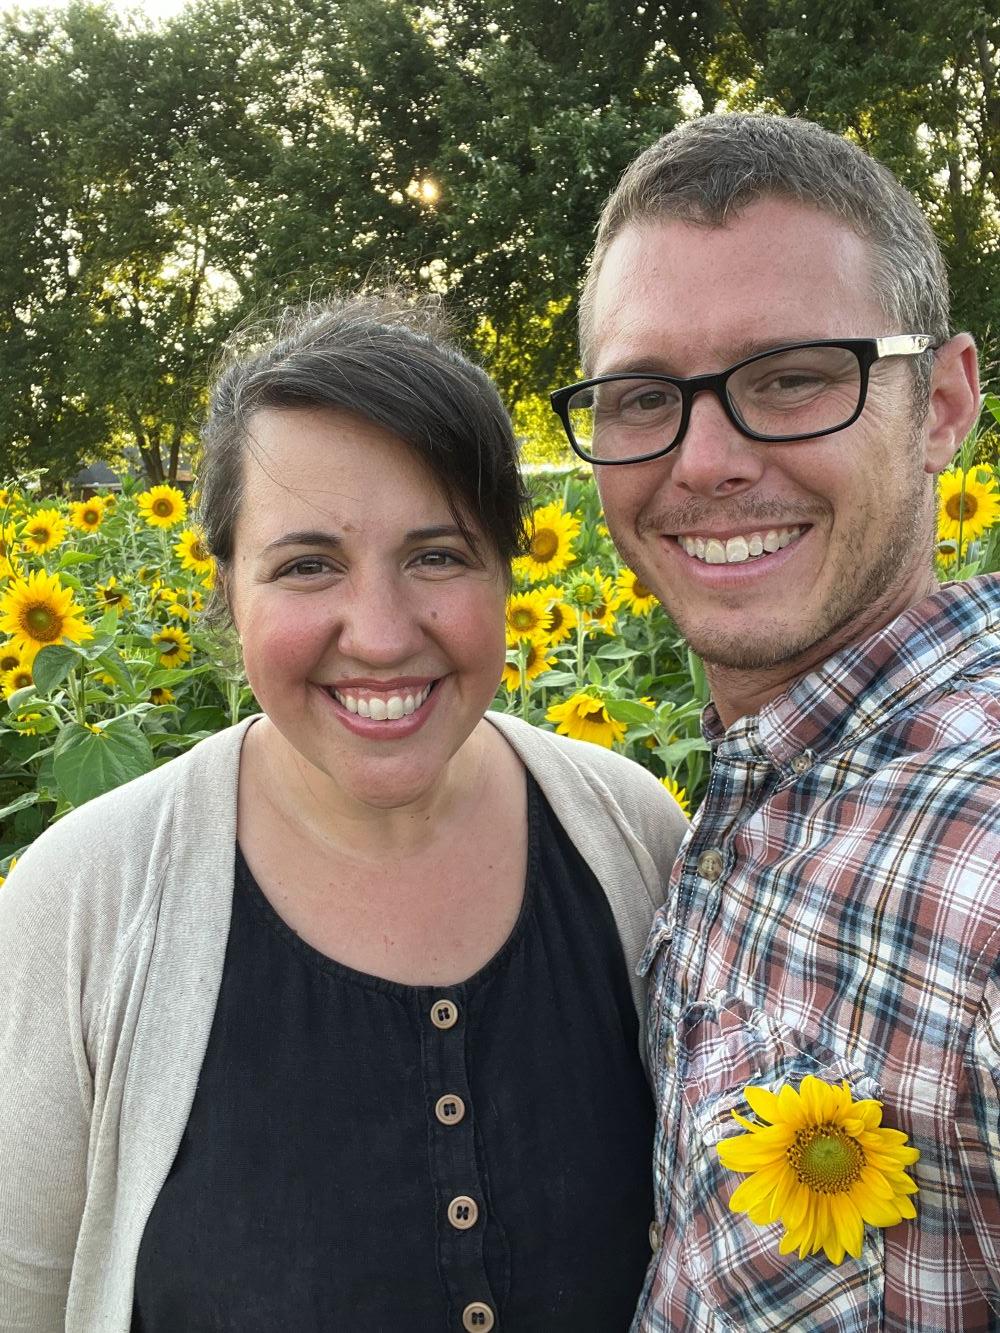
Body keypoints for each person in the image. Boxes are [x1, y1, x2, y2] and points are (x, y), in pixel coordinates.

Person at [0, 295, 688, 1333]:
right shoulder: (85, 902)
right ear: (227, 585)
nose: (376, 633)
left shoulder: (631, 835)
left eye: (438, 555)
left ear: (508, 567)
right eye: (307, 563)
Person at [550, 114, 1000, 1330]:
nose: (701, 461)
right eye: (643, 397)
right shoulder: (753, 777)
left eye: (791, 378)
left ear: (944, 403)